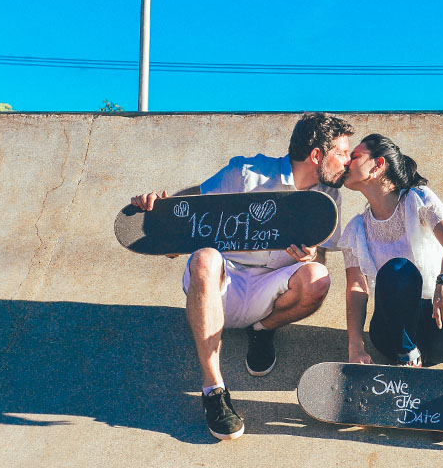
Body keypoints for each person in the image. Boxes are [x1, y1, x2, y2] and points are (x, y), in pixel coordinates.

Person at [131, 112, 353, 441]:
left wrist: (311, 255)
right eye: (343, 153)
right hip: (224, 284)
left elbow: (317, 255)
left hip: (270, 290)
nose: (348, 161)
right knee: (205, 258)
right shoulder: (247, 172)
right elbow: (193, 203)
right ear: (317, 155)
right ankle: (213, 391)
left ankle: (263, 329)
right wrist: (159, 210)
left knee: (318, 277)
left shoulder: (326, 196)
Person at [339, 133, 443, 374]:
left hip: (440, 322)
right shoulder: (356, 228)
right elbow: (356, 288)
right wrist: (355, 346)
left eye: (354, 156)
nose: (346, 163)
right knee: (397, 269)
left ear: (378, 164)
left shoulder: (418, 197)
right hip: (392, 333)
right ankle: (406, 356)